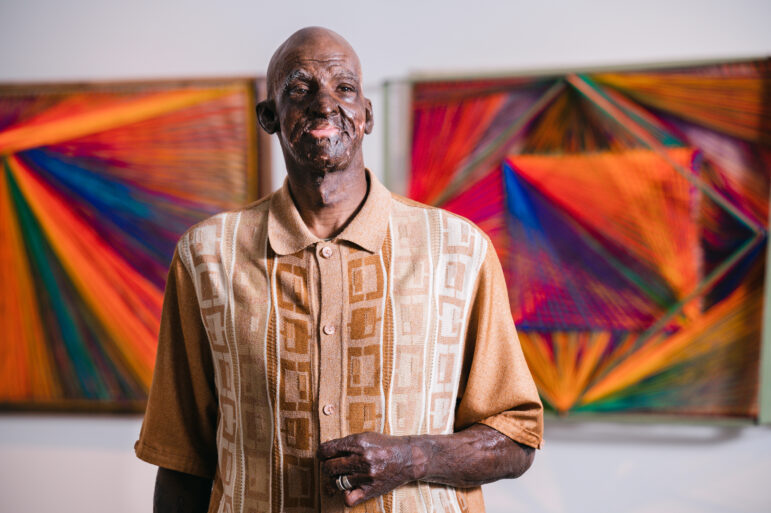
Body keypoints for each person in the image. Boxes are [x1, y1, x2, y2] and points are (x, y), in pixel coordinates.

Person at [135, 26, 543, 513]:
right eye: (300, 88)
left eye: (344, 88)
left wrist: (413, 457)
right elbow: (182, 459)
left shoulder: (459, 251)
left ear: (365, 115)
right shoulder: (206, 256)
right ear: (270, 116)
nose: (326, 103)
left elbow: (516, 436)